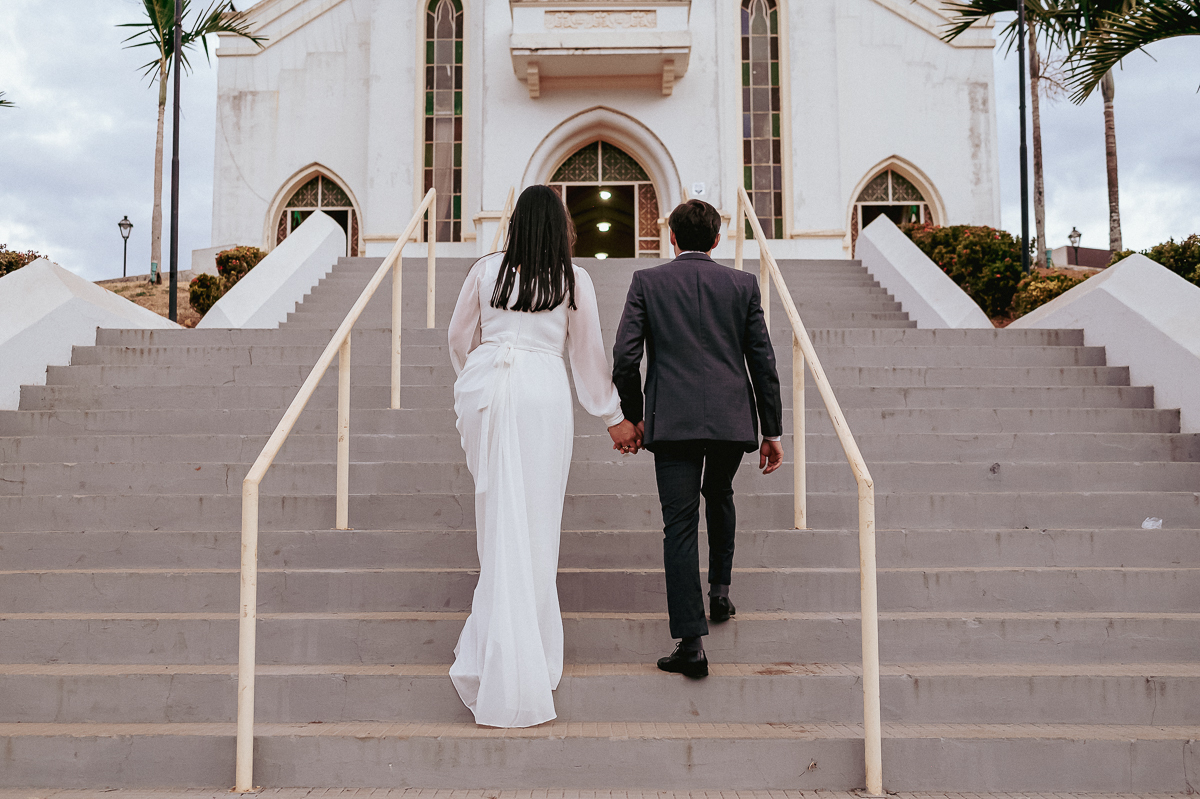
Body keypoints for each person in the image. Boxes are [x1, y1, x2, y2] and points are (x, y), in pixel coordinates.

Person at [447, 185, 641, 727]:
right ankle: (529, 650)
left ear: (515, 222)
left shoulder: (485, 271)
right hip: (542, 393)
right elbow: (587, 357)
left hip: (491, 387)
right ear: (560, 226)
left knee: (496, 517)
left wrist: (478, 376)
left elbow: (459, 338)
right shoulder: (573, 279)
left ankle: (494, 652)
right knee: (535, 522)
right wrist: (613, 417)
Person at [612, 199, 784, 678]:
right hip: (730, 419)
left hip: (671, 422)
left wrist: (635, 416)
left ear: (671, 237)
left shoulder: (647, 283)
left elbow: (625, 358)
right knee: (721, 493)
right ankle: (720, 593)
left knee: (680, 525)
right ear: (716, 240)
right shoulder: (743, 284)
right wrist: (771, 429)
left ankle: (691, 644)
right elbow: (763, 362)